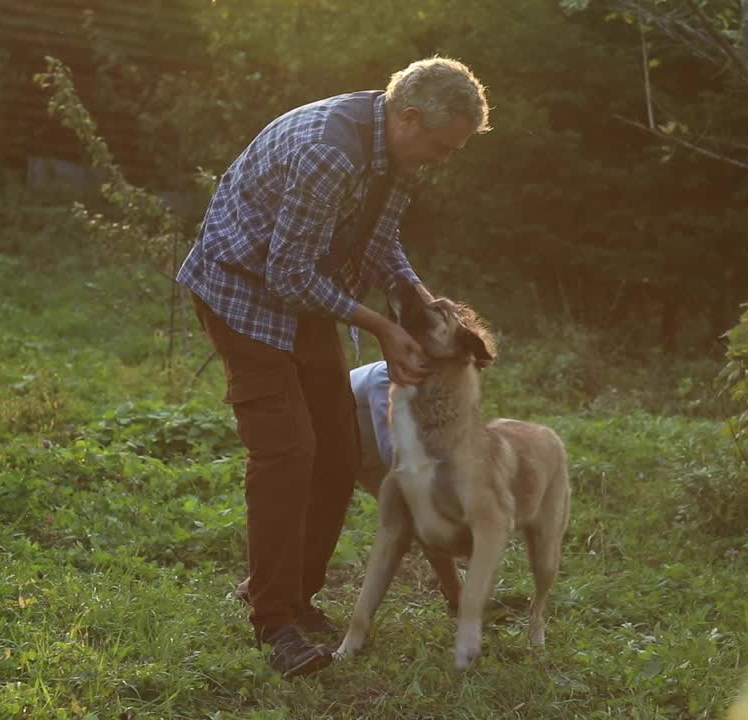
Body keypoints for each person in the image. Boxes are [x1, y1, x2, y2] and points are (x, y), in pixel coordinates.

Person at [177, 57, 490, 679]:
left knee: (340, 452)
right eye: (441, 146)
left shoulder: (394, 151)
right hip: (241, 294)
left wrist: (420, 306)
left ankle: (296, 596)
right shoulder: (333, 152)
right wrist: (381, 327)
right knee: (287, 451)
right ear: (408, 117)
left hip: (302, 295)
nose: (444, 160)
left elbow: (377, 241)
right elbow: (287, 274)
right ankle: (273, 622)